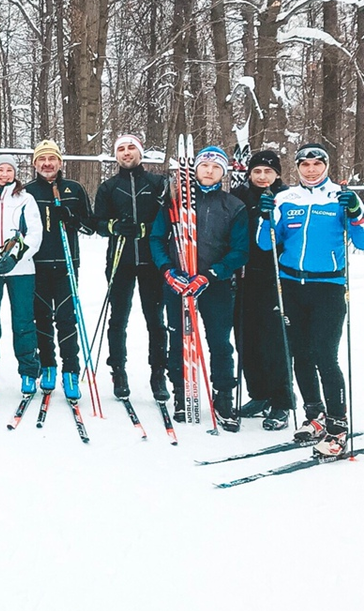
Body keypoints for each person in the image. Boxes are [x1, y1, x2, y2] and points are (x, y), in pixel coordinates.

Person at [257, 143, 364, 458]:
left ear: (326, 166)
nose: (312, 170)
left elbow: (361, 241)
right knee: (300, 355)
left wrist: (356, 213)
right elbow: (265, 244)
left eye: (318, 164)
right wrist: (265, 217)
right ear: (298, 168)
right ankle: (314, 416)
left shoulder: (340, 199)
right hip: (292, 286)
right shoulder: (286, 199)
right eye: (305, 164)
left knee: (324, 356)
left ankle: (337, 426)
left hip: (328, 287)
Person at [150, 146, 248, 429]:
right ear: (195, 169)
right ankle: (182, 393)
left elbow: (240, 250)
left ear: (223, 172)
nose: (209, 171)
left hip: (212, 285)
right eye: (204, 165)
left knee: (219, 341)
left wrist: (211, 274)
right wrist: (167, 270)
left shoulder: (233, 206)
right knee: (179, 339)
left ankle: (223, 396)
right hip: (179, 283)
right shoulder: (174, 201)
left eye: (216, 167)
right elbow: (157, 238)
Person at [93, 133, 169, 399]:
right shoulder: (109, 186)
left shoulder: (157, 183)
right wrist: (115, 226)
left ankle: (158, 373)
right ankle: (118, 371)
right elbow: (97, 224)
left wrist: (147, 228)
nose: (126, 153)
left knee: (155, 320)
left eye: (131, 148)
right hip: (120, 260)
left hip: (152, 261)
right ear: (116, 155)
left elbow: (169, 218)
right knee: (118, 319)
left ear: (140, 152)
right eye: (121, 149)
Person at [24, 140, 93, 400]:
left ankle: (71, 371)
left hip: (66, 263)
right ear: (34, 164)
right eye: (41, 159)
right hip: (37, 264)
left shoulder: (74, 189)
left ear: (60, 162)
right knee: (40, 317)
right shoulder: (27, 191)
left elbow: (90, 225)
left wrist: (71, 218)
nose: (47, 164)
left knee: (66, 318)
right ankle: (48, 365)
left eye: (52, 158)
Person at [230, 150, 291, 429]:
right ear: (249, 174)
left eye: (268, 172)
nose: (262, 176)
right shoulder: (240, 196)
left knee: (275, 341)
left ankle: (281, 401)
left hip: (276, 276)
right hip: (244, 275)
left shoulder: (287, 197)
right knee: (245, 337)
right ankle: (259, 393)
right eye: (257, 171)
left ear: (277, 174)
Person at [0, 155, 44, 398]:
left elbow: (35, 233)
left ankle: (28, 370)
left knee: (23, 320)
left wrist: (16, 257)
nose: (4, 175)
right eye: (0, 170)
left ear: (15, 173)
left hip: (21, 270)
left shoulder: (25, 199)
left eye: (9, 170)